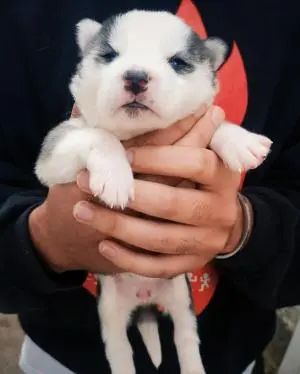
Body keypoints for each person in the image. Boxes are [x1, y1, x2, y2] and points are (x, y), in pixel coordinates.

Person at [0, 1, 300, 373]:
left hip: (230, 351)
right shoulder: (24, 22)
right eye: (110, 55)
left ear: (210, 73)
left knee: (185, 330)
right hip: (59, 354)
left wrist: (245, 226)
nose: (137, 75)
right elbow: (50, 163)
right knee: (116, 330)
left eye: (176, 63)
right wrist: (44, 239)